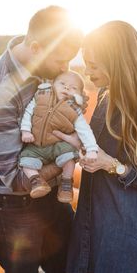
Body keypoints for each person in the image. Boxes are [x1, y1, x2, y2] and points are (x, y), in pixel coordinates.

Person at [0, 6, 83, 273]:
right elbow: (14, 178)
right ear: (35, 48)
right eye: (61, 61)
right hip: (12, 202)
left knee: (68, 268)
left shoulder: (45, 64)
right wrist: (68, 155)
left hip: (51, 192)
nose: (65, 69)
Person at [54, 21, 137, 273]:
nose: (88, 73)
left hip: (129, 225)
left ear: (117, 62)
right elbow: (97, 146)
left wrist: (111, 165)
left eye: (95, 66)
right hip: (102, 216)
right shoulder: (108, 97)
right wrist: (75, 141)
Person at [19, 70, 98, 203]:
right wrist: (26, 131)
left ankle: (66, 183)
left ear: (78, 95)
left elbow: (85, 130)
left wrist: (92, 149)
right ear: (52, 84)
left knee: (70, 157)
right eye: (62, 84)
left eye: (74, 88)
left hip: (58, 145)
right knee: (25, 159)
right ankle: (37, 181)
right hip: (35, 145)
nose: (67, 88)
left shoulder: (74, 110)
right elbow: (28, 112)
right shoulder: (41, 96)